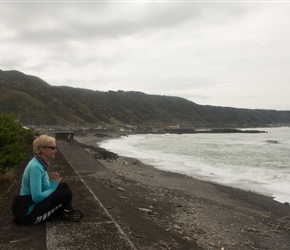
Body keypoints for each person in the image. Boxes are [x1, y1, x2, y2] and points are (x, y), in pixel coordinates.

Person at [12, 134, 84, 224]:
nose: (56, 150)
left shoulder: (40, 163)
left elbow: (43, 190)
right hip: (29, 213)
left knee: (63, 186)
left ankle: (67, 212)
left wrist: (52, 184)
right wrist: (53, 186)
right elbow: (37, 197)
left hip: (32, 205)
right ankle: (63, 213)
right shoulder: (36, 167)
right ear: (42, 149)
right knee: (66, 193)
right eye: (53, 148)